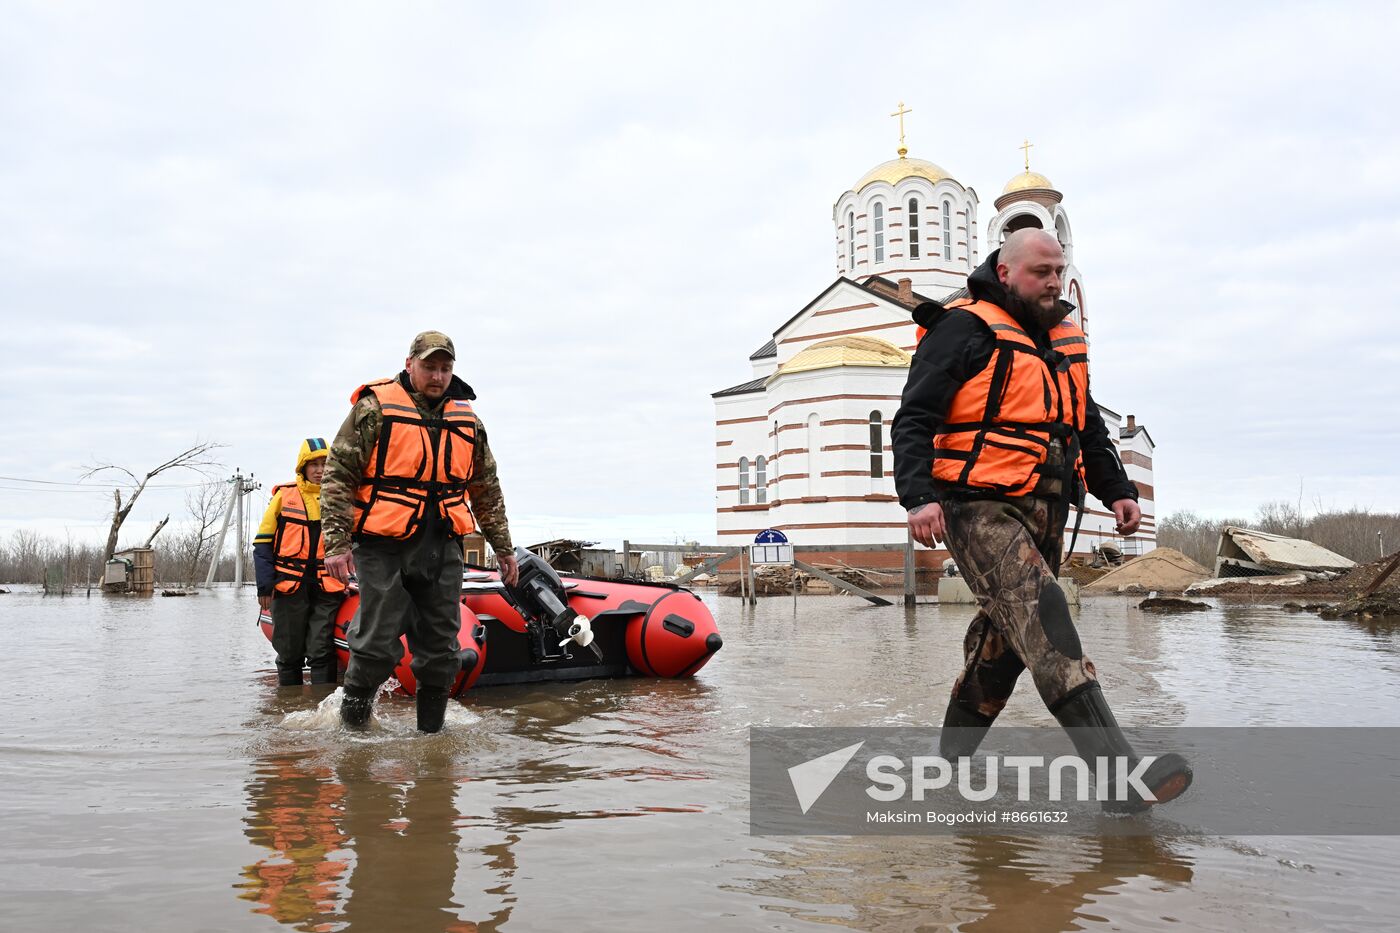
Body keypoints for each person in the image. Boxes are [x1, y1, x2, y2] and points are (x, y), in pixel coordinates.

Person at [891, 229, 1190, 812]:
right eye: (1040, 272)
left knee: (1001, 653)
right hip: (976, 505)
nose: (1054, 282)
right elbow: (914, 418)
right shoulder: (963, 328)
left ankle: (942, 772)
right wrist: (918, 497)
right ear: (1005, 274)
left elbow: (1085, 427)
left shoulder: (1063, 340)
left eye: (1059, 270)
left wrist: (1117, 490)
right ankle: (1120, 779)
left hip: (1046, 511)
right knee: (1046, 613)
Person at [320, 330, 519, 733]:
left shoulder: (469, 421)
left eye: (446, 368)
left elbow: (486, 488)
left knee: (441, 650)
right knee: (376, 645)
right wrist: (337, 544)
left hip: (442, 544)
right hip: (383, 546)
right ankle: (352, 738)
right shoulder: (374, 409)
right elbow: (338, 475)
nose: (438, 376)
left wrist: (503, 548)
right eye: (430, 366)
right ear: (410, 364)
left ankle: (431, 742)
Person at [253, 438, 346, 686]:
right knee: (289, 652)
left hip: (327, 587)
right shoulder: (284, 496)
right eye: (313, 464)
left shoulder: (340, 497)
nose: (319, 470)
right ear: (302, 468)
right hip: (288, 586)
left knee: (321, 650)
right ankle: (289, 706)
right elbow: (262, 544)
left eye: (325, 464)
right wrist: (264, 586)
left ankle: (320, 711)